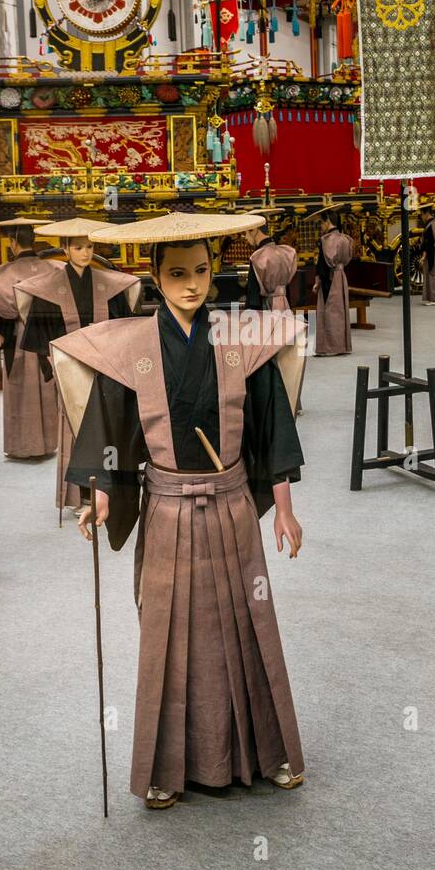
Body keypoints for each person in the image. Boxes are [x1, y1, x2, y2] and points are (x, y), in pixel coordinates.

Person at [50, 211, 307, 811]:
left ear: (214, 270)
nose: (192, 285)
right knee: (166, 634)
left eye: (200, 270)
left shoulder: (242, 341)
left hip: (233, 503)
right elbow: (112, 430)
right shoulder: (134, 348)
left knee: (250, 626)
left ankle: (267, 753)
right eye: (177, 274)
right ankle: (166, 767)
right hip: (166, 507)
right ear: (156, 279)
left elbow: (273, 430)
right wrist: (103, 492)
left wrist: (286, 510)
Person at [16, 219, 141, 511]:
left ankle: (110, 491)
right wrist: (54, 364)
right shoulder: (50, 288)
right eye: (79, 247)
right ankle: (78, 495)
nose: (85, 253)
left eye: (89, 246)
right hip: (70, 367)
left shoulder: (108, 283)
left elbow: (124, 325)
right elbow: (40, 333)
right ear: (65, 249)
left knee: (109, 426)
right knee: (76, 427)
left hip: (106, 366)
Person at [0, 219, 58, 460]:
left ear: (13, 243)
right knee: (46, 389)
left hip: (18, 336)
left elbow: (0, 305)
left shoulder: (1, 274)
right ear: (33, 241)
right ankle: (47, 444)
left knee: (19, 389)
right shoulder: (54, 269)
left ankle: (23, 446)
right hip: (46, 337)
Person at [313, 209, 353, 356]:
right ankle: (341, 345)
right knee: (340, 311)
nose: (321, 226)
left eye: (321, 222)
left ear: (327, 221)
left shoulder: (326, 240)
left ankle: (330, 346)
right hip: (341, 276)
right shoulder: (345, 239)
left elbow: (322, 264)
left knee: (329, 312)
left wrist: (318, 281)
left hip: (329, 277)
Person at [244, 213, 297, 313]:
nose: (245, 238)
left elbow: (253, 297)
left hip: (267, 307)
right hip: (285, 305)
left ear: (253, 230)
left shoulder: (258, 257)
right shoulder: (285, 253)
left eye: (246, 233)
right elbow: (287, 288)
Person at [419, 206, 435, 306]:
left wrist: (424, 255)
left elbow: (431, 241)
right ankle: (433, 298)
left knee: (434, 274)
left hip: (432, 252)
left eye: (421, 214)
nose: (421, 217)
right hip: (431, 251)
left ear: (426, 213)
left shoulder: (432, 224)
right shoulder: (430, 224)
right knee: (431, 274)